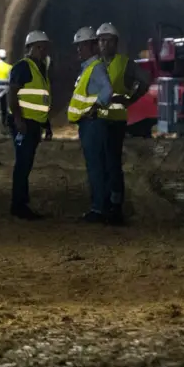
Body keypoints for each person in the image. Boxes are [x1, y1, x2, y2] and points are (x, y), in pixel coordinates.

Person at [96, 22, 152, 225]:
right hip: (96, 121)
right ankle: (100, 203)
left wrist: (129, 99)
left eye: (108, 41)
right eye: (101, 40)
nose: (104, 44)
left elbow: (144, 81)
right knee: (98, 164)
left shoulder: (125, 63)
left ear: (115, 43)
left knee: (113, 164)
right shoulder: (94, 64)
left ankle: (116, 206)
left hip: (115, 121)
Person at [69, 26, 114, 223]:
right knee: (97, 165)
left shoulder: (95, 67)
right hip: (89, 123)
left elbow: (107, 90)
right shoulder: (88, 67)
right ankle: (102, 206)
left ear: (91, 46)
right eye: (77, 46)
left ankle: (99, 209)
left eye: (82, 46)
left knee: (95, 166)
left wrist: (96, 106)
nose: (78, 50)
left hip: (93, 123)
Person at [7, 30, 52, 220]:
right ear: (29, 48)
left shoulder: (41, 69)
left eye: (44, 48)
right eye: (38, 47)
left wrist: (47, 125)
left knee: (27, 162)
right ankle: (18, 205)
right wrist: (18, 119)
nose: (42, 51)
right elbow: (12, 94)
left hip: (34, 123)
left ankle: (21, 203)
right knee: (23, 163)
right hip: (24, 122)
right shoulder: (23, 67)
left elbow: (42, 100)